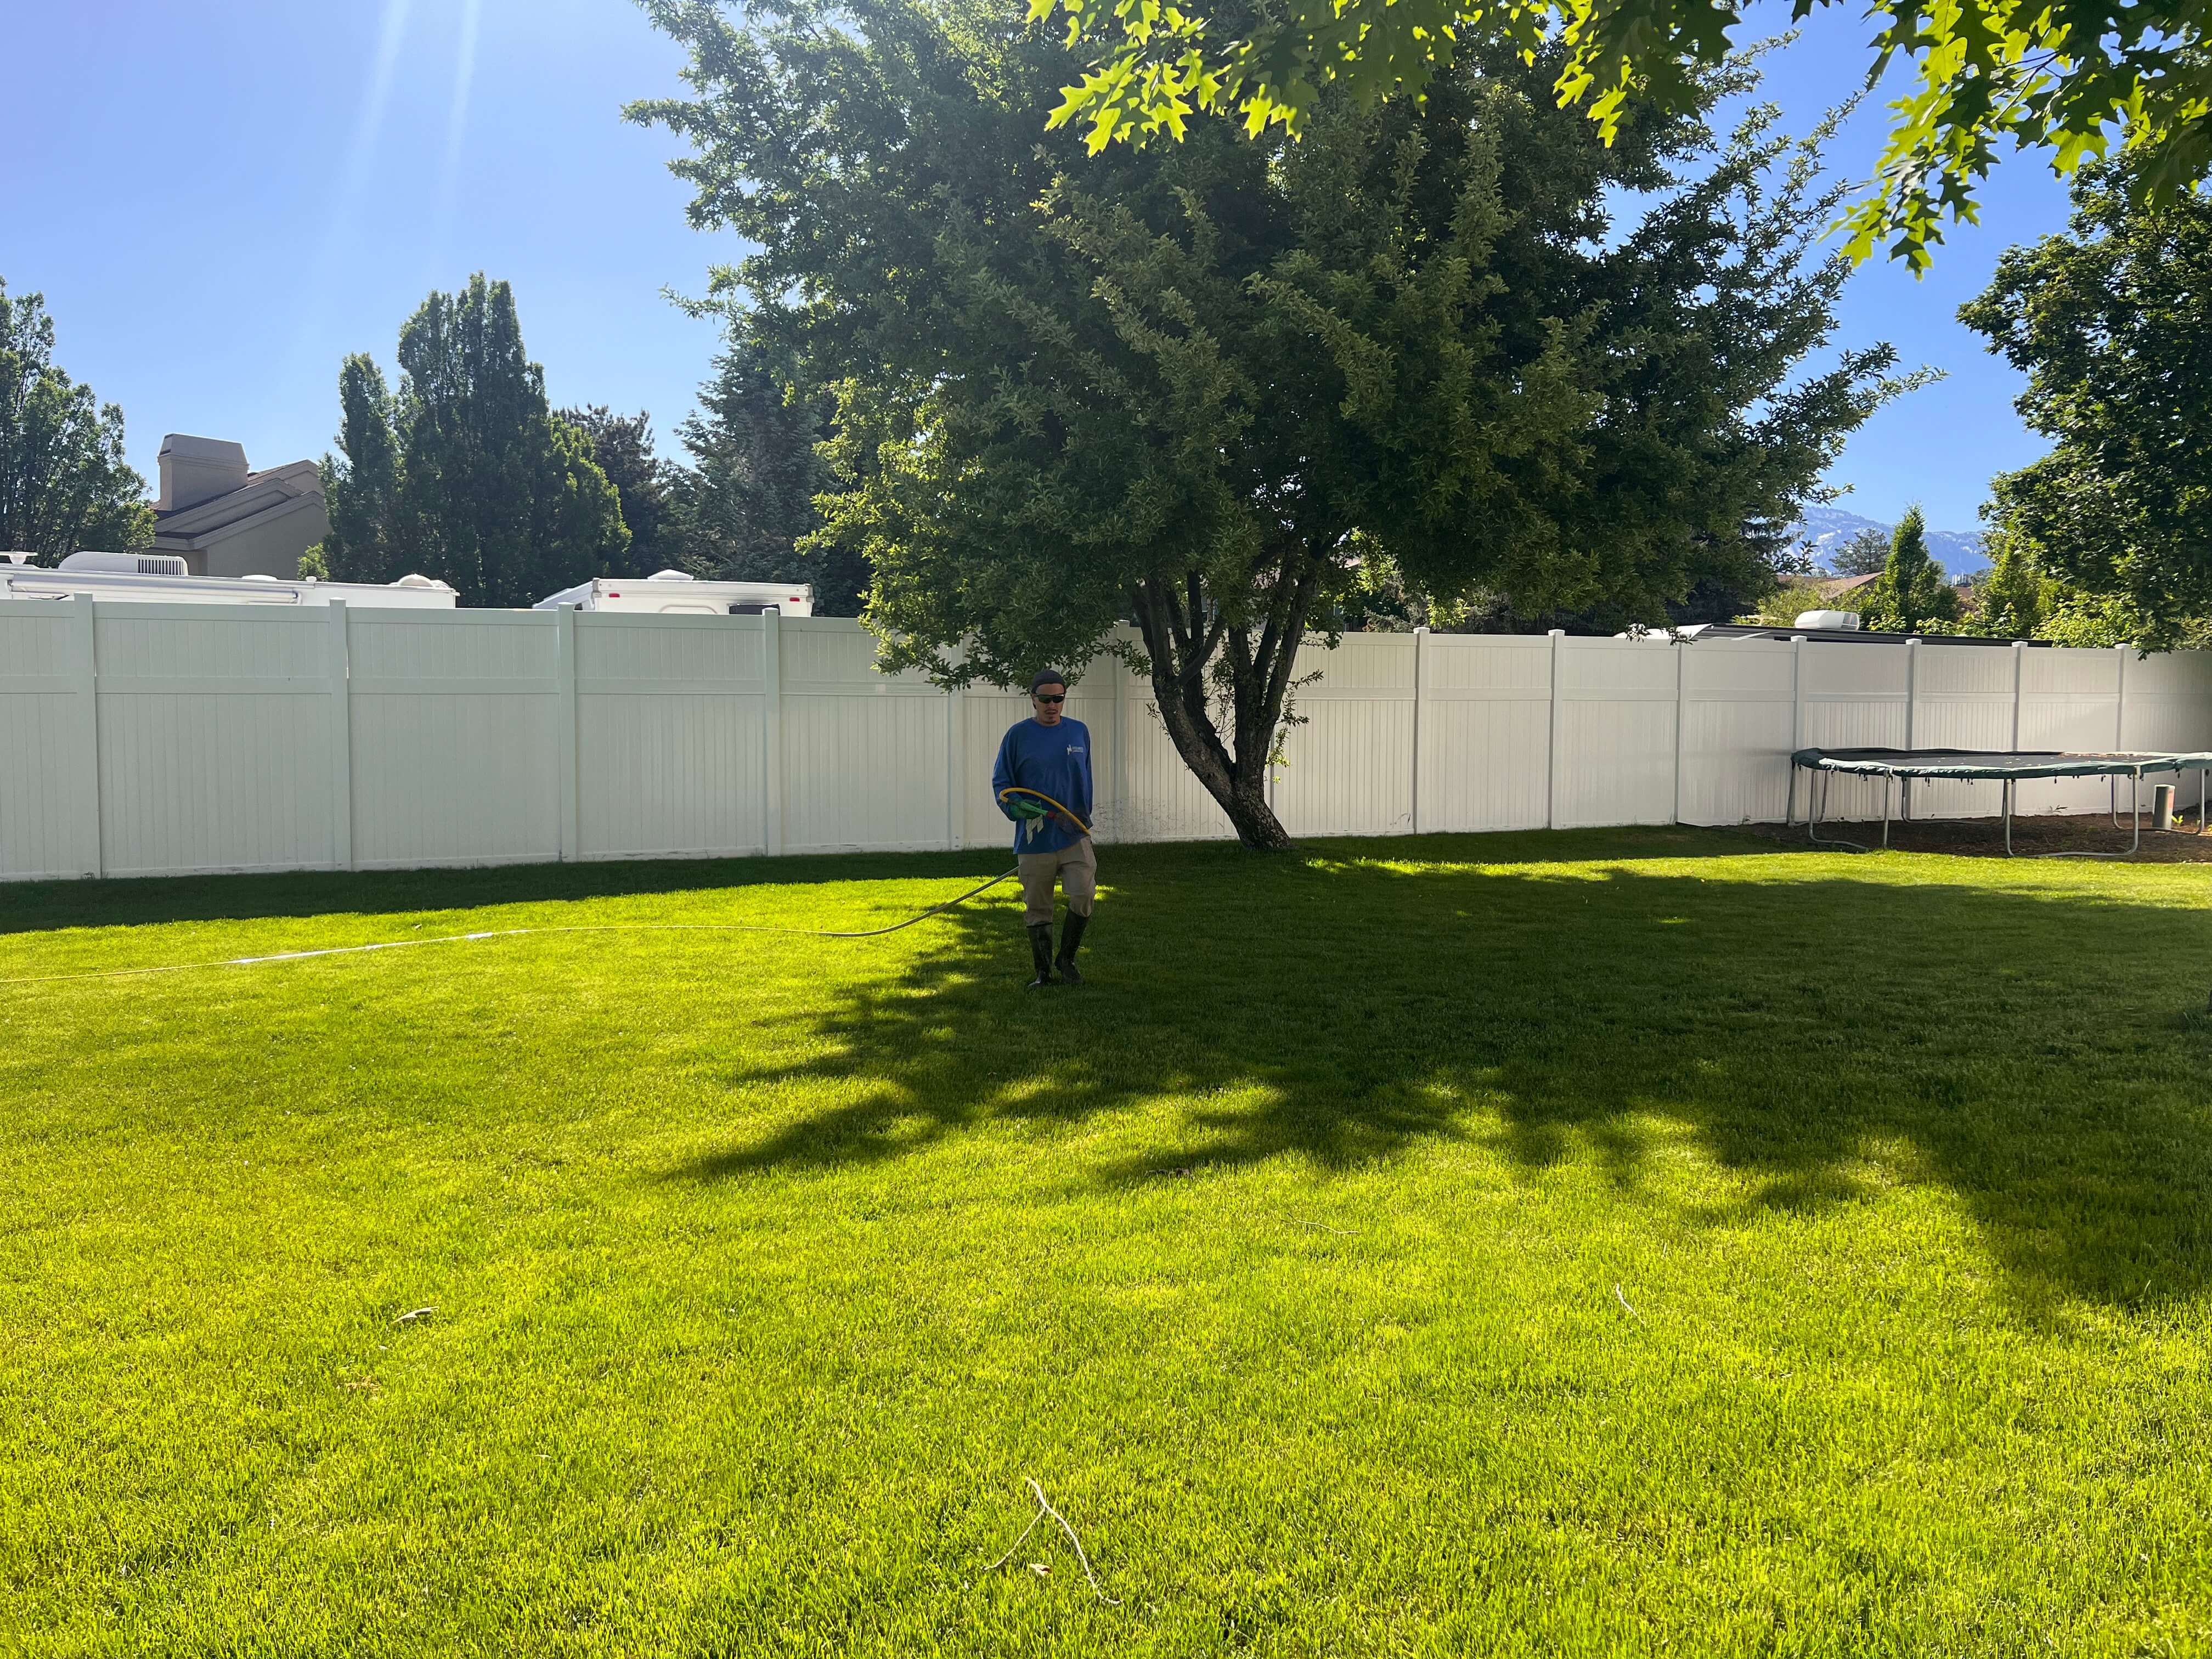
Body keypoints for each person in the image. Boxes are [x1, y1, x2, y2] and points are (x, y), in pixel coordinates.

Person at [991, 670, 1095, 988]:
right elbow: (1002, 783)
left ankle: (1067, 960)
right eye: (1046, 699)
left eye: (1058, 699)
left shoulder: (1079, 732)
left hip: (1073, 832)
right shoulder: (1017, 735)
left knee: (1083, 893)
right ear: (1033, 699)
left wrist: (1081, 816)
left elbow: (1086, 777)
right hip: (1034, 835)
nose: (1052, 705)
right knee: (1038, 906)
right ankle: (1043, 972)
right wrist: (1014, 806)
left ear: (1064, 699)